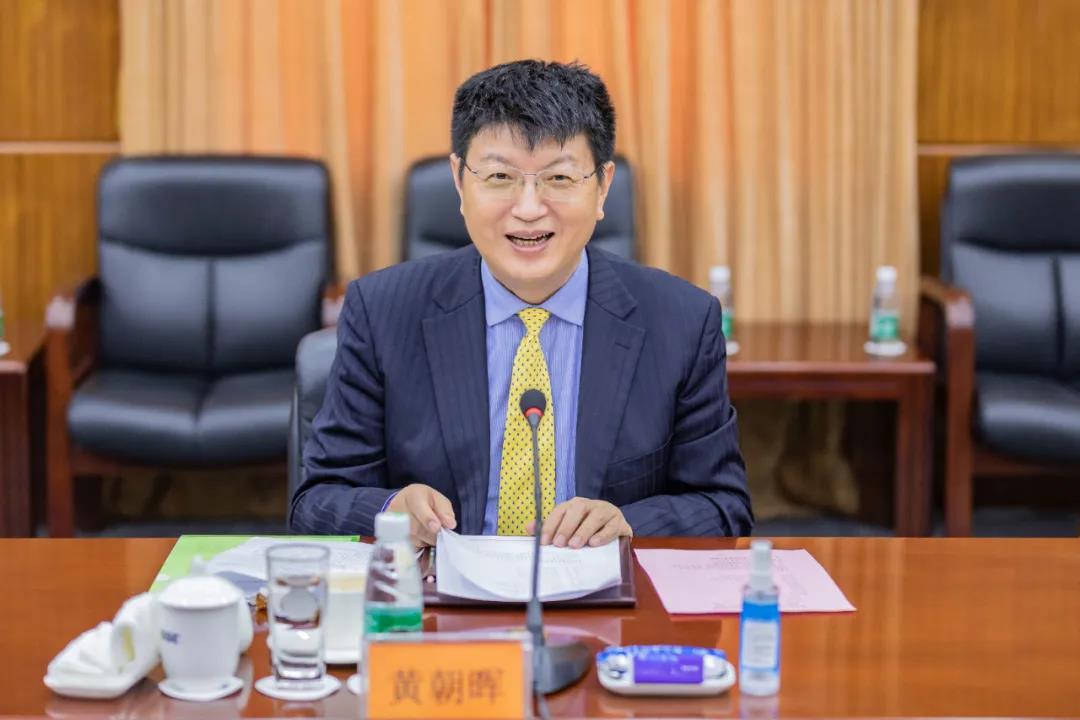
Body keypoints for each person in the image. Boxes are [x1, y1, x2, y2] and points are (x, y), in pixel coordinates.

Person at [291, 60, 752, 547]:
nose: (529, 209)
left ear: (602, 186)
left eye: (559, 179)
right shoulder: (383, 312)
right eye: (499, 176)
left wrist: (628, 525)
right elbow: (316, 502)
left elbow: (723, 507)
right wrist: (390, 510)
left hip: (601, 592)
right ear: (459, 182)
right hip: (442, 591)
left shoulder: (681, 322)